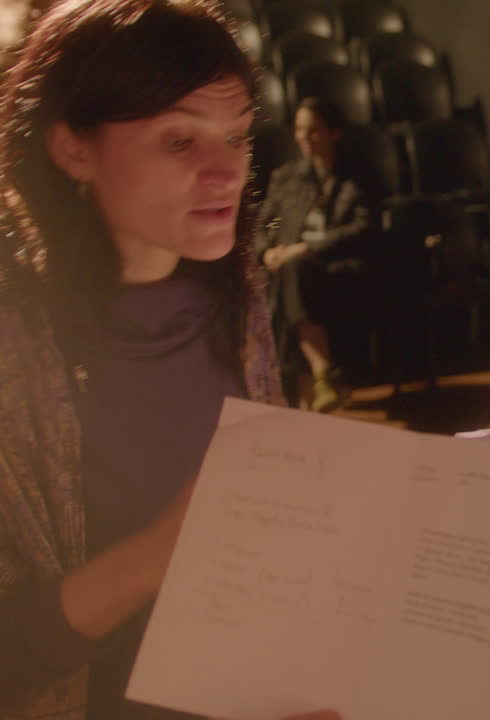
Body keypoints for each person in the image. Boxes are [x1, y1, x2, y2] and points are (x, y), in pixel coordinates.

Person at [0, 1, 336, 717]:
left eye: (237, 136)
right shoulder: (14, 347)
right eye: (180, 141)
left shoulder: (237, 304)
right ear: (74, 151)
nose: (226, 173)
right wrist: (149, 560)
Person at [255, 97, 373, 413]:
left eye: (313, 130)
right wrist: (267, 252)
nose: (303, 138)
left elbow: (363, 228)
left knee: (290, 276)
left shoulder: (358, 176)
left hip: (336, 267)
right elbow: (261, 226)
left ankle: (299, 397)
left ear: (334, 132)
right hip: (289, 268)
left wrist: (306, 248)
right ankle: (322, 378)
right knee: (288, 275)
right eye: (299, 130)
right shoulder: (286, 177)